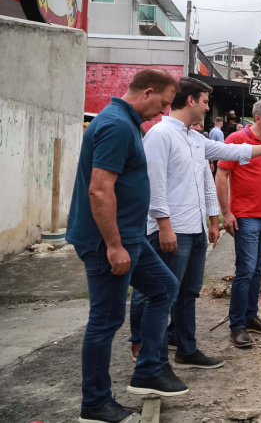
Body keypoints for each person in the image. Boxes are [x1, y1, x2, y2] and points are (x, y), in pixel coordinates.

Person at [129, 78, 261, 371]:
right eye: (206, 101)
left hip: (193, 228)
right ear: (191, 101)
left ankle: (185, 349)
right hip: (173, 229)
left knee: (188, 293)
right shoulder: (160, 135)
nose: (209, 108)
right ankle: (148, 358)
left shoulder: (194, 138)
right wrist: (164, 225)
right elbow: (153, 185)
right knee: (164, 293)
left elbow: (227, 162)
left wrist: (212, 220)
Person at [66, 69, 185, 423]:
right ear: (147, 93)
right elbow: (99, 189)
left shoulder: (127, 122)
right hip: (110, 241)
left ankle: (149, 369)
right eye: (162, 104)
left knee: (165, 287)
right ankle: (96, 404)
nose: (162, 113)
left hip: (130, 236)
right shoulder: (117, 125)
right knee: (105, 320)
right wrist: (114, 246)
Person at [216, 98, 261, 348]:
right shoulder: (236, 141)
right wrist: (226, 213)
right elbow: (221, 174)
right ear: (258, 119)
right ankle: (237, 326)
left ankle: (250, 316)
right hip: (245, 217)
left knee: (257, 270)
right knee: (244, 272)